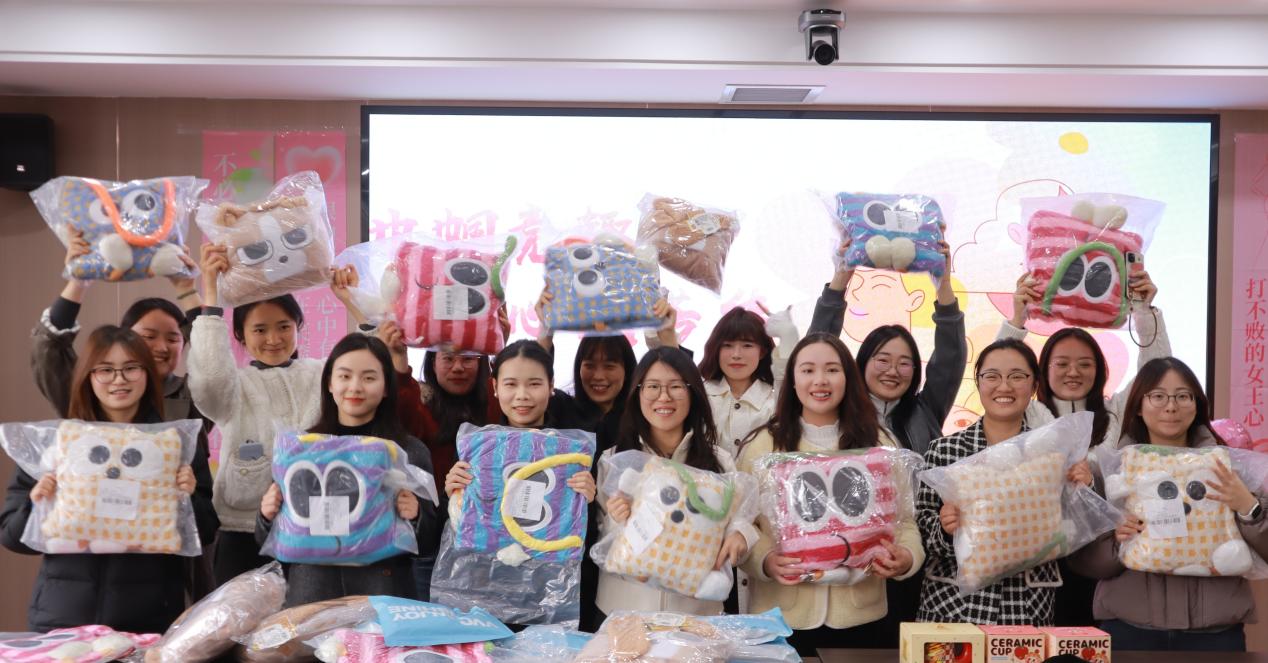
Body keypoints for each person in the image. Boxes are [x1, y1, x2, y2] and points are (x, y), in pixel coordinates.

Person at [30, 231, 219, 596]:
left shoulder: (193, 399)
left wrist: (186, 290)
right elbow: (48, 350)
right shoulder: (90, 395)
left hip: (166, 564)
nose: (161, 347)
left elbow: (214, 364)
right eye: (148, 336)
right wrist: (78, 280)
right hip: (89, 563)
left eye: (173, 338)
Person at [2, 326, 207, 633]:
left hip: (148, 620)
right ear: (88, 375)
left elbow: (206, 531)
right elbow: (10, 536)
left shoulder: (171, 445)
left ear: (148, 373)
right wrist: (37, 505)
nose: (119, 379)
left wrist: (186, 498)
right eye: (106, 370)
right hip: (62, 618)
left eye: (131, 368)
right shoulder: (61, 443)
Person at [810, 240, 965, 637]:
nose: (893, 370)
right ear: (862, 363)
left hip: (910, 555)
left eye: (905, 363)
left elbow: (950, 358)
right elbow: (817, 350)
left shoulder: (925, 410)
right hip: (847, 557)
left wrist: (943, 286)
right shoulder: (836, 411)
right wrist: (840, 280)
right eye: (882, 359)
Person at [1001, 269, 1170, 626]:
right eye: (1062, 364)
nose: (1073, 372)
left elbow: (1156, 373)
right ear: (1043, 371)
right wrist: (1017, 320)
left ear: (1100, 370)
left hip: (1104, 559)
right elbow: (1000, 371)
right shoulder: (1030, 413)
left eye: (1085, 364)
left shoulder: (1116, 413)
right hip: (1039, 558)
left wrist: (1144, 312)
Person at [189, 242, 365, 582]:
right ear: (240, 336)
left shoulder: (322, 375)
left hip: (318, 525)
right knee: (240, 618)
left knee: (310, 616)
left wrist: (352, 300)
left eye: (284, 326)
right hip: (243, 531)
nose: (273, 338)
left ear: (298, 326)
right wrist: (210, 291)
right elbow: (209, 377)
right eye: (260, 329)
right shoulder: (233, 387)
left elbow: (369, 366)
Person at [738, 333, 922, 655]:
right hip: (781, 618)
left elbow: (904, 520)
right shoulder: (762, 446)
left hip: (862, 620)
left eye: (832, 370)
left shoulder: (880, 444)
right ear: (792, 379)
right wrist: (765, 561)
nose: (820, 380)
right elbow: (743, 525)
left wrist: (906, 557)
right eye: (808, 370)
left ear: (848, 378)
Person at [1068, 357, 1268, 651]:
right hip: (1130, 630)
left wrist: (1250, 508)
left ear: (1197, 404)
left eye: (1183, 396)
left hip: (1216, 635)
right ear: (1139, 405)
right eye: (1158, 396)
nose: (1171, 406)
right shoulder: (1111, 471)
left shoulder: (1229, 468)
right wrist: (1117, 541)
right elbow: (1080, 559)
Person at [916, 339, 1092, 626]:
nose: (1004, 386)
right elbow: (922, 526)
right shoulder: (944, 450)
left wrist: (1083, 487)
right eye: (992, 376)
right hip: (953, 609)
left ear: (1034, 385)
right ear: (978, 382)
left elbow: (1073, 527)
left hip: (1026, 608)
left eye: (1017, 376)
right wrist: (945, 529)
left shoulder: (1053, 452)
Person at [256, 334, 438, 607]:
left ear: (386, 387)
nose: (355, 387)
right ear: (330, 383)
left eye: (369, 378)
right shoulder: (299, 450)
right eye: (344, 376)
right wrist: (267, 515)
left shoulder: (406, 451)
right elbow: (270, 541)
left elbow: (428, 543)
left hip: (383, 598)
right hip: (312, 598)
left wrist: (416, 516)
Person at [596, 346, 757, 618]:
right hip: (623, 612)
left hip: (696, 614)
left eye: (675, 386)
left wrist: (741, 535)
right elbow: (600, 537)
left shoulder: (720, 462)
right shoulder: (615, 460)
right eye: (653, 386)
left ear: (693, 393)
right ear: (637, 393)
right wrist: (617, 519)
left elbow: (740, 521)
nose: (664, 397)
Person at [698, 305, 799, 458]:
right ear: (716, 349)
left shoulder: (774, 402)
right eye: (727, 345)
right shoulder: (700, 396)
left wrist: (788, 337)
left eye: (747, 345)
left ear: (762, 352)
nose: (736, 354)